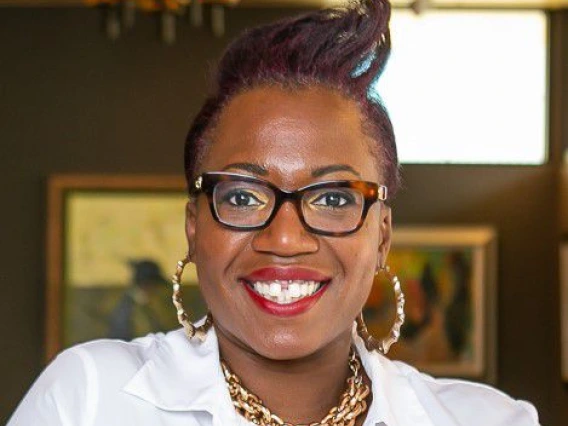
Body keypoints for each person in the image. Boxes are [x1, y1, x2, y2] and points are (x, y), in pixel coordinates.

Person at [9, 1, 539, 425]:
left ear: (381, 236)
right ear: (194, 229)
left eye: (332, 198)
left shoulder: (489, 419)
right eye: (242, 196)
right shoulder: (89, 400)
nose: (285, 239)